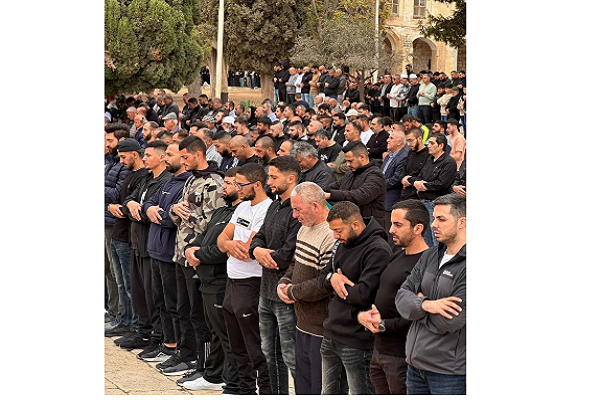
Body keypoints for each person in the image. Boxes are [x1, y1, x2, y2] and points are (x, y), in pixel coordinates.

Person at [159, 136, 225, 376]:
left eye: (185, 156)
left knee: (199, 315)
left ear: (198, 154)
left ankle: (203, 364)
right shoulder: (191, 179)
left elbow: (213, 225)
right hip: (181, 254)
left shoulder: (213, 183)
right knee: (183, 309)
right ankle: (186, 355)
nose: (183, 161)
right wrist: (174, 209)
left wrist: (186, 214)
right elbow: (177, 214)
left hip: (198, 257)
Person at [395, 193, 466, 395]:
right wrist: (427, 305)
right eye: (434, 218)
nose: (434, 224)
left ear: (462, 222)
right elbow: (401, 298)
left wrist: (416, 307)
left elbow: (449, 321)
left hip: (449, 374)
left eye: (441, 219)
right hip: (415, 367)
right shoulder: (430, 255)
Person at [317, 201, 392, 394]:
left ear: (355, 225)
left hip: (357, 340)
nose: (335, 236)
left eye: (338, 231)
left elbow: (364, 294)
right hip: (331, 332)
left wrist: (335, 286)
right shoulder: (342, 242)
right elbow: (322, 278)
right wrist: (333, 278)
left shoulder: (378, 249)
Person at [180, 168, 243, 394]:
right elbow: (203, 236)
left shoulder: (241, 214)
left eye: (229, 183)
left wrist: (198, 254)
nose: (224, 187)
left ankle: (234, 383)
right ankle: (213, 375)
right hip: (207, 280)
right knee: (214, 331)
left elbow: (224, 249)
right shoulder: (221, 211)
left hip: (221, 279)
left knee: (228, 335)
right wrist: (190, 248)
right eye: (225, 182)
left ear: (242, 187)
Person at [357, 199, 429, 394]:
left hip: (401, 356)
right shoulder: (398, 254)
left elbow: (419, 314)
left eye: (398, 225)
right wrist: (367, 316)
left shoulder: (426, 264)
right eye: (391, 224)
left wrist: (382, 325)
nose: (391, 230)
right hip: (379, 350)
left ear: (418, 228)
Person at [217, 163, 273, 395]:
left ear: (257, 185)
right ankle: (245, 389)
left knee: (255, 346)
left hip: (251, 282)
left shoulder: (266, 209)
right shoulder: (241, 207)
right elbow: (221, 241)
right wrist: (230, 245)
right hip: (232, 280)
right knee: (237, 345)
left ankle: (266, 391)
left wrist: (231, 245)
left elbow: (248, 249)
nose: (237, 189)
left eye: (241, 184)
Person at [249, 156, 303, 394]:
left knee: (291, 356)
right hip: (266, 292)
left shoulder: (297, 211)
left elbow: (286, 255)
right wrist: (257, 250)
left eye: (273, 177)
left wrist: (260, 253)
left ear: (291, 178)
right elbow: (258, 238)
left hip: (284, 294)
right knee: (269, 353)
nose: (269, 182)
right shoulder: (274, 205)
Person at [277, 182, 336, 395]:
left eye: (298, 209)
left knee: (319, 388)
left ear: (315, 206)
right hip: (302, 324)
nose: (294, 215)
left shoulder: (331, 234)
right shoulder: (304, 228)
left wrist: (292, 292)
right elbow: (296, 262)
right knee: (302, 387)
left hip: (321, 328)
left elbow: (324, 284)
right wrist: (284, 281)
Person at [137, 142, 192, 362]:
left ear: (183, 158)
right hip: (155, 249)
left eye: (170, 154)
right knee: (159, 300)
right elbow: (148, 203)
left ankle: (176, 347)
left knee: (173, 304)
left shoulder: (187, 184)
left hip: (170, 252)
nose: (166, 158)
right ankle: (166, 343)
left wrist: (160, 213)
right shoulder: (169, 180)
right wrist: (150, 208)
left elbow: (172, 220)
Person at [119, 140, 173, 352]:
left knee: (154, 296)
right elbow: (129, 202)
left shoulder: (166, 181)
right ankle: (143, 332)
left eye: (148, 155)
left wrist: (138, 210)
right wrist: (132, 204)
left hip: (152, 244)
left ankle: (157, 336)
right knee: (139, 292)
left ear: (162, 157)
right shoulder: (146, 178)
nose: (144, 158)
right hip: (137, 242)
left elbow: (153, 214)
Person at [105, 138, 147, 339]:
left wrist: (120, 208)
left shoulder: (142, 177)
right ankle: (124, 320)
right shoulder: (130, 175)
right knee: (120, 282)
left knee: (130, 285)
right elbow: (117, 200)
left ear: (134, 155)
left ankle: (133, 324)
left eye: (123, 157)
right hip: (117, 234)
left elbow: (134, 208)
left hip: (127, 237)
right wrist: (114, 206)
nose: (121, 161)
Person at [405, 133, 457, 247]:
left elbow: (442, 184)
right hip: (424, 202)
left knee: (436, 238)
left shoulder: (449, 162)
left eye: (432, 143)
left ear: (441, 145)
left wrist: (424, 186)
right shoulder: (429, 159)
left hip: (436, 204)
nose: (428, 145)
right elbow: (420, 176)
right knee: (426, 236)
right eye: (428, 143)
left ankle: (438, 257)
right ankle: (430, 257)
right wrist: (416, 183)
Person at [325, 141, 387, 231]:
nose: (347, 165)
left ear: (362, 157)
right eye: (346, 161)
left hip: (370, 230)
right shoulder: (350, 174)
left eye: (350, 161)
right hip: (352, 227)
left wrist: (330, 195)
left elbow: (359, 196)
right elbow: (331, 187)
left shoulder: (376, 176)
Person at [105, 125, 132, 326]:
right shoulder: (113, 162)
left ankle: (123, 317)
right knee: (109, 271)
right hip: (107, 220)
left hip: (115, 224)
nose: (106, 144)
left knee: (119, 275)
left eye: (110, 141)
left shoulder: (124, 166)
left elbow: (117, 194)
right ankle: (114, 311)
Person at [381, 130, 409, 246]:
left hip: (392, 199)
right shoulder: (389, 156)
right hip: (383, 198)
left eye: (391, 138)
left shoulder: (403, 156)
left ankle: (393, 255)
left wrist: (379, 185)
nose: (388, 140)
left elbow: (396, 179)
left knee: (392, 233)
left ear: (399, 142)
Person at [400, 128, 429, 201]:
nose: (408, 144)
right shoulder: (411, 152)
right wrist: (403, 178)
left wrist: (409, 180)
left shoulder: (428, 154)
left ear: (419, 138)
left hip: (418, 194)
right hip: (406, 191)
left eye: (411, 140)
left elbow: (424, 175)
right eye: (407, 141)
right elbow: (405, 168)